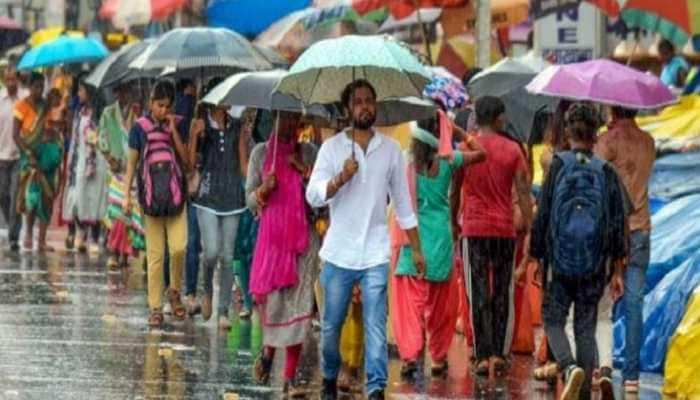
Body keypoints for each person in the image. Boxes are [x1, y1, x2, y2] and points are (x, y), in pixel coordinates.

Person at [306, 79, 426, 400]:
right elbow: (314, 195)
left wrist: (416, 249)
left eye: (369, 100)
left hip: (375, 252)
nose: (364, 106)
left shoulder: (390, 150)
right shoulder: (332, 148)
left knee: (375, 325)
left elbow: (402, 202)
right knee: (331, 328)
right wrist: (341, 177)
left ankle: (375, 389)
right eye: (357, 101)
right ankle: (329, 378)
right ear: (348, 108)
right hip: (338, 254)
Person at [531, 102, 627, 400]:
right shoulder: (606, 172)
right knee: (586, 327)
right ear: (596, 134)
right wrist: (615, 266)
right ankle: (584, 392)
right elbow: (616, 222)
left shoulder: (558, 164)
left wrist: (536, 256)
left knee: (553, 317)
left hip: (559, 260)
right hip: (594, 262)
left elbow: (544, 214)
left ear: (568, 131)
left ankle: (569, 366)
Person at [391, 119, 485, 380]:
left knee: (409, 305)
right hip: (441, 239)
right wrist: (460, 133)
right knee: (441, 305)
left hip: (414, 240)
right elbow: (481, 153)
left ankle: (410, 355)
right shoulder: (449, 159)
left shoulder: (405, 165)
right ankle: (439, 357)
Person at [247, 110, 320, 397]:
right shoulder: (261, 153)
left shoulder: (311, 152)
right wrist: (264, 189)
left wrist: (304, 171)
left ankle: (288, 379)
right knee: (277, 305)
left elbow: (321, 199)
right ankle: (268, 352)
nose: (289, 124)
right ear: (274, 119)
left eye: (294, 118)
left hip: (305, 242)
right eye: (283, 118)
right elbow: (250, 199)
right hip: (273, 243)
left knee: (300, 309)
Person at [458, 96, 532, 375]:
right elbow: (523, 193)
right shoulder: (513, 150)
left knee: (476, 290)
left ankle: (481, 355)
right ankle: (499, 354)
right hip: (504, 230)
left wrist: (456, 222)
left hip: (474, 229)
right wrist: (530, 225)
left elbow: (455, 188)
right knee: (502, 291)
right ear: (499, 118)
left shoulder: (466, 147)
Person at [595, 106, 655, 396]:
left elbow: (595, 177)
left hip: (611, 232)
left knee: (601, 302)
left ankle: (600, 365)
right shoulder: (649, 141)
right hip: (641, 229)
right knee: (634, 304)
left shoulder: (606, 142)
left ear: (613, 108)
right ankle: (631, 377)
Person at [123, 80, 190, 327]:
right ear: (151, 103)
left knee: (179, 247)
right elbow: (131, 163)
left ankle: (174, 290)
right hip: (150, 199)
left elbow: (186, 161)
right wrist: (126, 196)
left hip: (176, 198)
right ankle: (155, 307)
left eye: (167, 106)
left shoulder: (177, 126)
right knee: (155, 256)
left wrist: (174, 132)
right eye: (159, 105)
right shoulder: (138, 129)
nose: (163, 110)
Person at [188, 81, 246, 328]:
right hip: (208, 197)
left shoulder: (239, 127)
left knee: (228, 255)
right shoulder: (201, 127)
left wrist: (257, 186)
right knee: (211, 251)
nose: (230, 99)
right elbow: (190, 165)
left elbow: (243, 166)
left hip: (233, 197)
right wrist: (193, 135)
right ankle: (207, 289)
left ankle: (223, 311)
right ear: (214, 99)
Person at [13, 73, 64, 251]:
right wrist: (27, 153)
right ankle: (28, 234)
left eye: (41, 87)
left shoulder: (46, 105)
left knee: (47, 199)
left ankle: (42, 240)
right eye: (36, 87)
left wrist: (52, 134)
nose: (39, 90)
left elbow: (54, 126)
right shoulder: (21, 106)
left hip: (46, 160)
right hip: (29, 159)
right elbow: (15, 134)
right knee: (31, 198)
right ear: (29, 87)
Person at [98, 83, 145, 272]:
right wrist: (109, 157)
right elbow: (102, 138)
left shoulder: (139, 115)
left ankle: (125, 253)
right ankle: (113, 253)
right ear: (116, 92)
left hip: (133, 170)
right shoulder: (108, 113)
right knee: (116, 212)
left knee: (129, 213)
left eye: (128, 91)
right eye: (121, 90)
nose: (125, 94)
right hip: (116, 170)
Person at [62, 79, 108, 253]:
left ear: (90, 92)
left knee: (95, 198)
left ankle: (95, 238)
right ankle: (81, 233)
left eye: (81, 91)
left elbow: (104, 138)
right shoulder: (79, 112)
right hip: (80, 162)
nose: (78, 94)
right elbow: (74, 138)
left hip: (97, 162)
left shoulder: (101, 115)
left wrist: (96, 139)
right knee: (80, 197)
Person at [0, 67, 27, 251]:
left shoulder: (25, 99)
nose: (10, 83)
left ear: (17, 80)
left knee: (16, 194)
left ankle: (14, 235)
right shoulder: (0, 99)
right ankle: (12, 225)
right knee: (3, 195)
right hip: (1, 155)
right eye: (7, 79)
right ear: (3, 80)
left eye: (13, 80)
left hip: (19, 154)